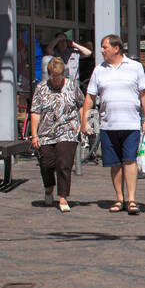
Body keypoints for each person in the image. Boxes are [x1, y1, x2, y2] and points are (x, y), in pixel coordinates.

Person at [80, 35, 145, 215]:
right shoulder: (99, 70)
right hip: (108, 125)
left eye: (104, 47)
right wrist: (84, 120)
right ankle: (120, 198)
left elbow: (144, 95)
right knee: (114, 164)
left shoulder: (135, 67)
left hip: (131, 124)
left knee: (130, 160)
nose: (102, 50)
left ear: (116, 48)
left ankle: (132, 199)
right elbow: (90, 96)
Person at [30, 57, 83, 211]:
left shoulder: (72, 86)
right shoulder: (41, 88)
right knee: (47, 163)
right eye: (53, 76)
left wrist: (83, 124)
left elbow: (82, 104)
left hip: (67, 130)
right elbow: (35, 112)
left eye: (59, 75)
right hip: (46, 132)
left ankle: (63, 197)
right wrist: (34, 134)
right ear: (49, 74)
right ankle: (48, 188)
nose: (56, 79)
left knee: (64, 163)